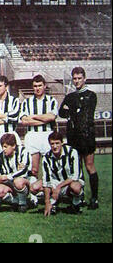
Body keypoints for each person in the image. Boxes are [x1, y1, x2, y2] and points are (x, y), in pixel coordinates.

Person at [59, 67, 99, 210]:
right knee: (77, 168)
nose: (77, 81)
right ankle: (78, 198)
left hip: (86, 135)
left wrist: (72, 110)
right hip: (73, 137)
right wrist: (74, 110)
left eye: (79, 78)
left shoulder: (91, 95)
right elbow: (61, 113)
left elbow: (85, 114)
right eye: (74, 79)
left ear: (84, 79)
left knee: (89, 166)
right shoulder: (70, 96)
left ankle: (94, 198)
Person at [19, 74, 59, 207]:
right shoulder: (27, 102)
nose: (37, 88)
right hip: (32, 136)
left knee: (50, 167)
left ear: (44, 86)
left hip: (47, 135)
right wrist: (42, 118)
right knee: (34, 169)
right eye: (35, 86)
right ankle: (33, 197)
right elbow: (24, 120)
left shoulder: (51, 101)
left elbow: (51, 117)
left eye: (39, 86)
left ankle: (52, 196)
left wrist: (34, 116)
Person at [30, 131, 84, 216]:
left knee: (76, 187)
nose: (55, 146)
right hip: (55, 183)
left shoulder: (72, 152)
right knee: (34, 187)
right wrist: (47, 202)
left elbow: (75, 176)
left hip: (70, 182)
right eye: (52, 144)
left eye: (57, 143)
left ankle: (76, 203)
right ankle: (53, 203)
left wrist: (59, 187)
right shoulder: (47, 157)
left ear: (62, 142)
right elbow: (46, 180)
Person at [0, 133, 31, 213]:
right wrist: (5, 177)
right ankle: (14, 200)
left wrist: (8, 176)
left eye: (5, 147)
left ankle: (23, 203)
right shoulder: (1, 156)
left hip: (27, 180)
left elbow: (24, 171)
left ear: (13, 146)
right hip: (11, 183)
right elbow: (0, 175)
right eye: (2, 147)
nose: (3, 149)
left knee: (18, 181)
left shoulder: (23, 151)